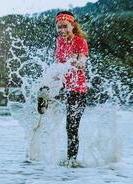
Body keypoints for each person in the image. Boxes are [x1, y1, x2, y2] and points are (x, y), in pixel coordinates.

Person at [54, 11, 89, 167]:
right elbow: (58, 63)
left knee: (71, 127)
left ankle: (72, 160)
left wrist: (80, 63)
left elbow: (83, 59)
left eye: (65, 27)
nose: (62, 30)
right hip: (63, 88)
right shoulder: (59, 42)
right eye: (59, 27)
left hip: (78, 91)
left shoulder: (80, 41)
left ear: (72, 26)